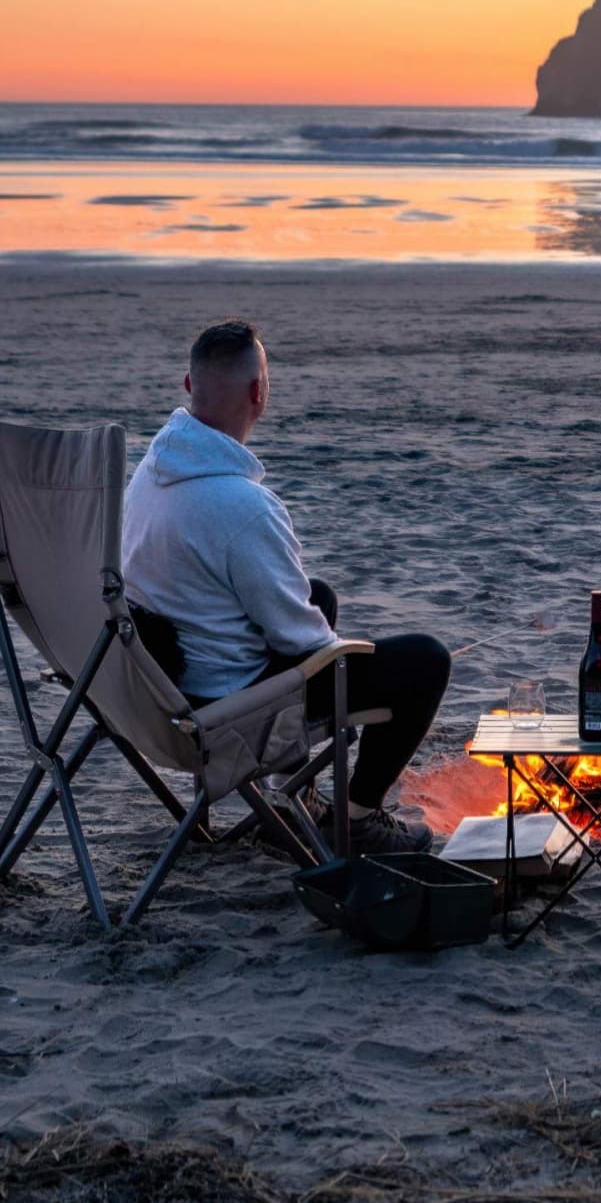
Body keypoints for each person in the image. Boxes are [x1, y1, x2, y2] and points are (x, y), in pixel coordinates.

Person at [122, 319, 449, 858]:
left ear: (188, 386)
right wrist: (341, 649)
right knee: (425, 661)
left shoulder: (151, 472)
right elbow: (305, 645)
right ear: (259, 393)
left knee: (316, 594)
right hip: (226, 708)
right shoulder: (243, 507)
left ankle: (290, 797)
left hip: (159, 694)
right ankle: (358, 818)